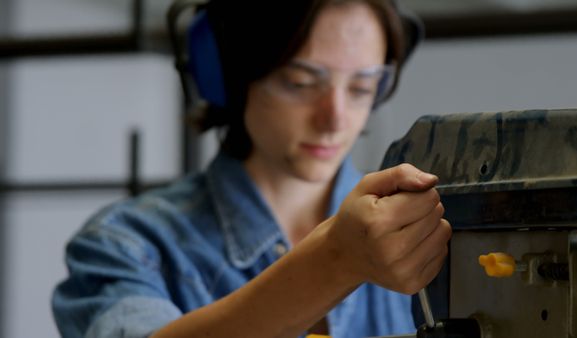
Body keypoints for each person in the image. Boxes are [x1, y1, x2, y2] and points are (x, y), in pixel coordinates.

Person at [52, 1, 452, 337]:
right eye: (300, 82)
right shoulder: (127, 244)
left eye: (361, 88)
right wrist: (336, 259)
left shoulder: (431, 227)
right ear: (228, 77)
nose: (336, 118)